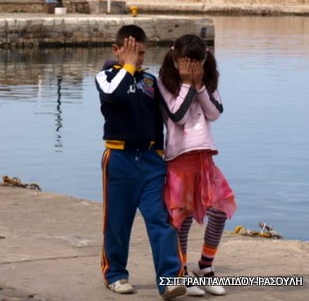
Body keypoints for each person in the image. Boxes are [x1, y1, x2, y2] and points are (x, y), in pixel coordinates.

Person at [96, 25, 185, 299]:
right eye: (134, 52)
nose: (139, 58)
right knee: (118, 221)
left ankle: (169, 278)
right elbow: (115, 96)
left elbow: (164, 118)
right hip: (120, 159)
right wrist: (129, 67)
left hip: (150, 160)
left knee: (161, 219)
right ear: (117, 49)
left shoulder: (149, 81)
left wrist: (162, 154)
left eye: (143, 53)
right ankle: (116, 274)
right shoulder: (106, 77)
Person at [157, 34, 237, 296]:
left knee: (220, 209)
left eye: (196, 62)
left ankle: (205, 266)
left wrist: (200, 85)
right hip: (179, 158)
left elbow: (214, 113)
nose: (190, 67)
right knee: (183, 217)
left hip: (204, 156)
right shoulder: (165, 82)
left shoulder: (207, 80)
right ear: (175, 58)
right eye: (185, 62)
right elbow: (177, 116)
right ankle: (181, 270)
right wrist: (187, 84)